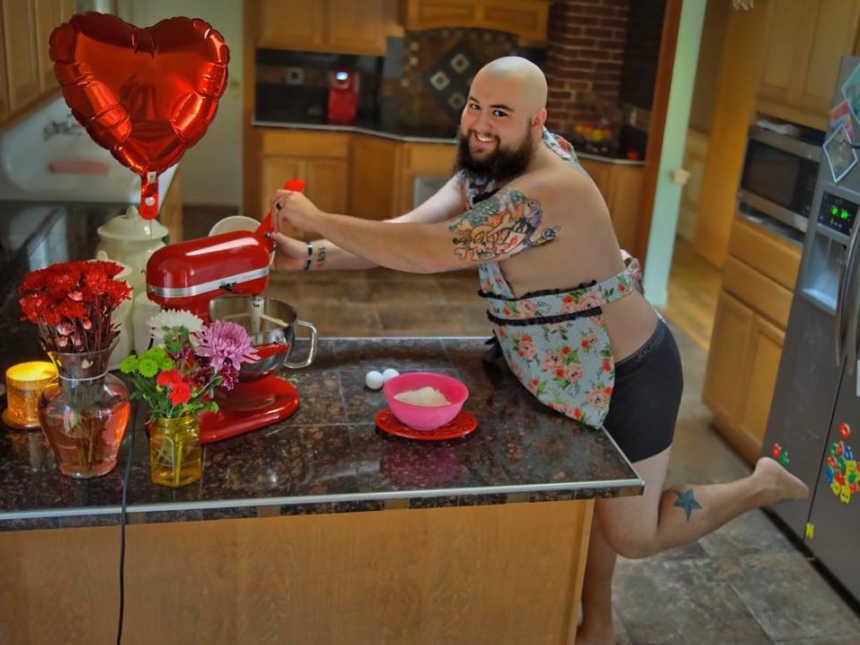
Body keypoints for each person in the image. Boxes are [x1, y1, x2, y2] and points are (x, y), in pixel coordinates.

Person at [269, 56, 810, 645]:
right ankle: (596, 624)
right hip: (569, 372)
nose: (480, 124)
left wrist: (317, 217)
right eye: (474, 105)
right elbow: (406, 232)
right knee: (596, 503)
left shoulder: (545, 193)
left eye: (501, 113)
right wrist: (315, 253)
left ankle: (760, 484)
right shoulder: (492, 164)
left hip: (631, 373)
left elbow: (429, 251)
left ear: (538, 121)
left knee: (633, 534)